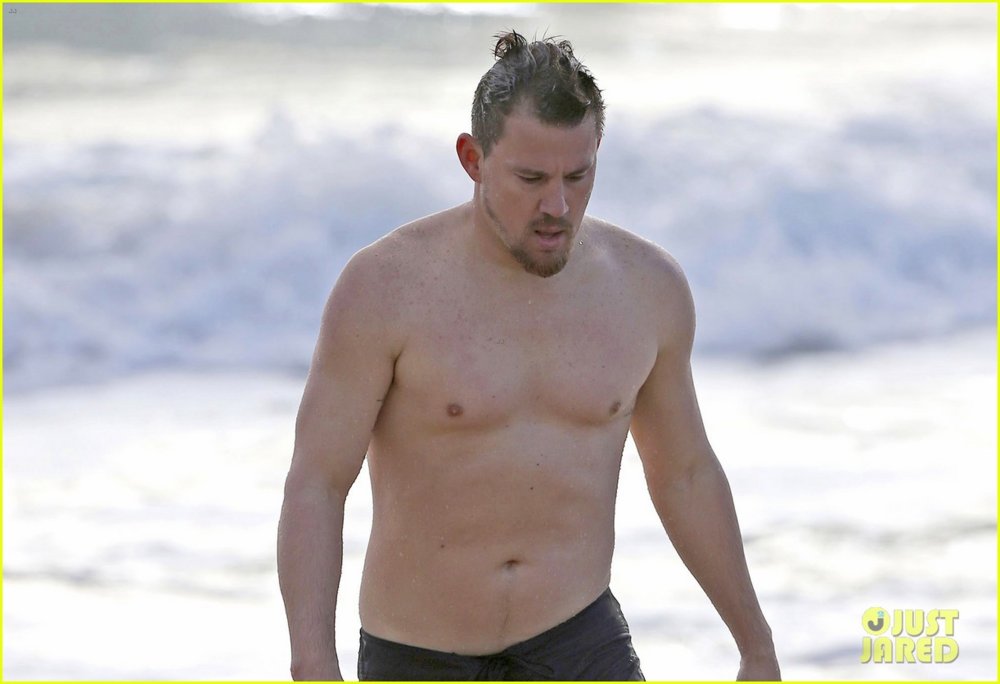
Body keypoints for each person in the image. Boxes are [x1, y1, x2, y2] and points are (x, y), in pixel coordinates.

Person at [277, 30, 780, 681]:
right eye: (531, 178)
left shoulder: (646, 288)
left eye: (578, 175)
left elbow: (684, 473)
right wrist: (312, 662)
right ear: (473, 159)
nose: (557, 206)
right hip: (418, 656)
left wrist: (756, 646)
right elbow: (317, 483)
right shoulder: (385, 288)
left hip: (582, 645)